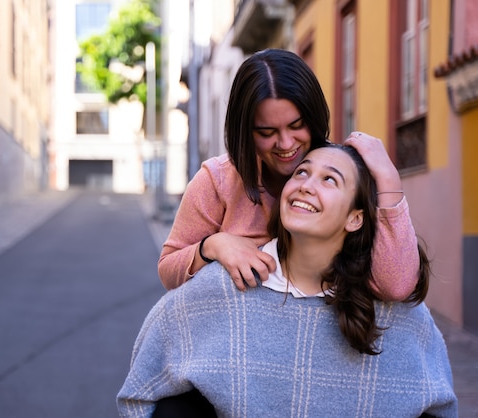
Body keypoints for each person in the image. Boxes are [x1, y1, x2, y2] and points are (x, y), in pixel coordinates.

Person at [117, 144, 457, 417]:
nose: (306, 185)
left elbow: (439, 405)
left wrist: (387, 179)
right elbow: (141, 392)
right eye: (302, 172)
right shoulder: (222, 286)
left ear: (355, 218)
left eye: (329, 180)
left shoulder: (397, 314)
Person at [159, 49, 419, 303]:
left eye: (297, 126)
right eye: (266, 132)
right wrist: (214, 245)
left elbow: (396, 286)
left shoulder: (344, 178)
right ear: (246, 131)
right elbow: (169, 271)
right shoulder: (217, 181)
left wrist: (387, 178)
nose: (285, 144)